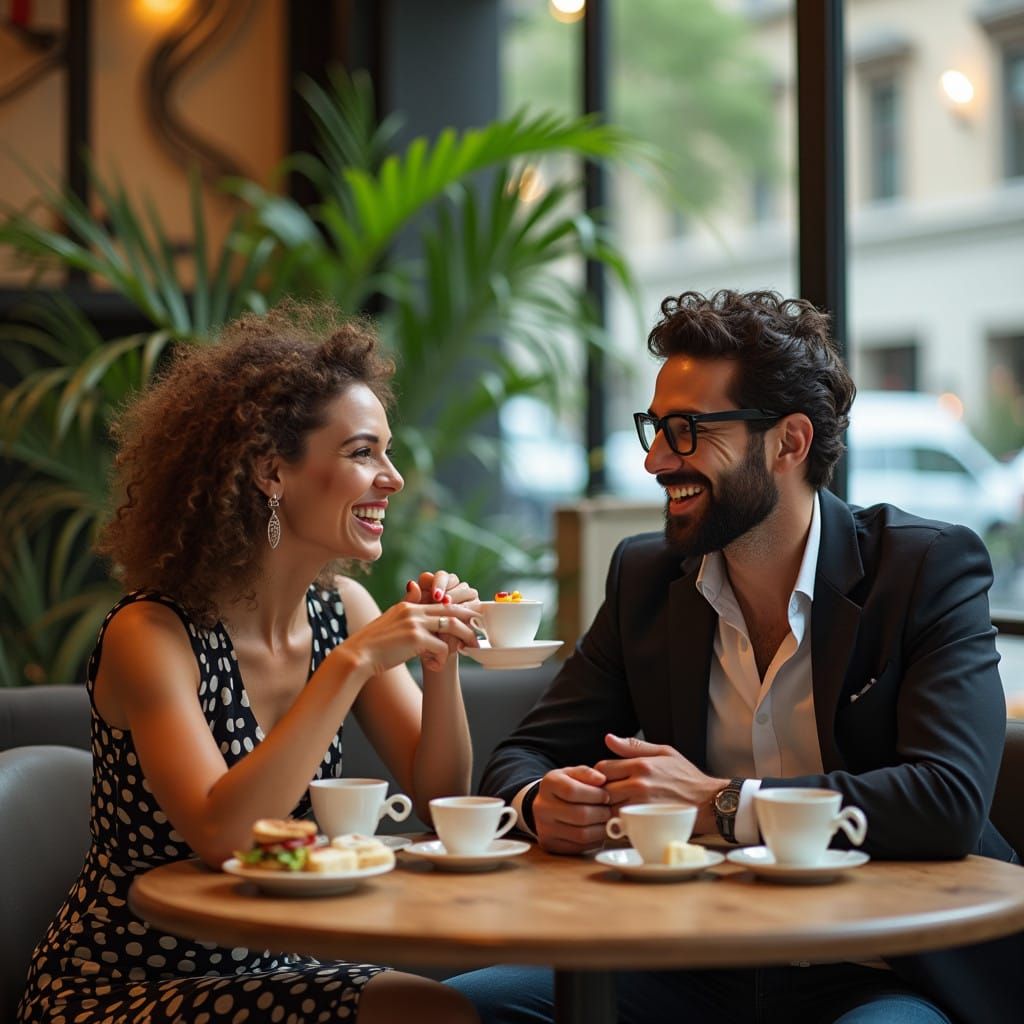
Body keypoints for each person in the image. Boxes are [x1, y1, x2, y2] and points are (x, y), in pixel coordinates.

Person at [447, 290, 1021, 1024]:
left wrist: (720, 805)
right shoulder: (645, 579)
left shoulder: (924, 570)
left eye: (685, 431)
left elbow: (945, 800)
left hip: (879, 969)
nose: (656, 459)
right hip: (694, 963)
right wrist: (541, 804)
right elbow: (524, 754)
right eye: (654, 428)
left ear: (789, 442)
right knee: (453, 1010)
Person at [18, 303, 480, 1024]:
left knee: (436, 1008)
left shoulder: (343, 612)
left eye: (387, 452)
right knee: (427, 1013)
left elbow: (440, 796)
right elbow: (223, 837)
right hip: (121, 986)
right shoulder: (152, 633)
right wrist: (350, 666)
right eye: (363, 453)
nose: (392, 478)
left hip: (275, 963)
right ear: (272, 471)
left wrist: (441, 662)